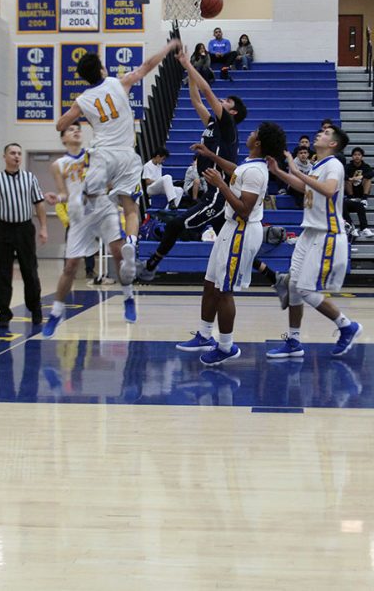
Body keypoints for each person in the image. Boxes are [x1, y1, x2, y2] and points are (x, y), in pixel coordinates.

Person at [57, 38, 181, 286]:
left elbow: (61, 124)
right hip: (126, 155)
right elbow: (147, 65)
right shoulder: (118, 83)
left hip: (101, 155)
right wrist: (168, 47)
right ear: (102, 69)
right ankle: (131, 245)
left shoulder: (82, 100)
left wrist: (82, 118)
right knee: (130, 208)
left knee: (96, 202)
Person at [175, 122, 287, 364]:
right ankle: (205, 335)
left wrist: (221, 184)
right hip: (230, 227)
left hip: (242, 230)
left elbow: (245, 210)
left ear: (258, 143)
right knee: (210, 283)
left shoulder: (257, 172)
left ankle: (226, 347)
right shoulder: (250, 165)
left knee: (224, 290)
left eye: (255, 132)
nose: (250, 133)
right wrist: (211, 155)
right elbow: (236, 172)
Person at [136, 48, 252, 281]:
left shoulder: (228, 124)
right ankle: (270, 275)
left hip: (221, 193)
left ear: (233, 111)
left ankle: (150, 266)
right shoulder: (213, 123)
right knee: (223, 235)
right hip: (212, 189)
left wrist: (188, 64)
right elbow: (196, 98)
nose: (222, 100)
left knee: (176, 224)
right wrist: (187, 72)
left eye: (227, 101)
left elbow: (207, 91)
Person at [265, 126, 364, 359]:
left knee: (306, 290)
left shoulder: (334, 165)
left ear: (333, 144)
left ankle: (346, 326)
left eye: (326, 133)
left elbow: (329, 191)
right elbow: (305, 187)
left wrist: (295, 170)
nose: (320, 134)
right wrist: (278, 171)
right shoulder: (318, 166)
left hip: (327, 233)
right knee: (293, 286)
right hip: (310, 232)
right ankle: (294, 341)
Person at [42, 124, 133, 336]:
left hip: (101, 205)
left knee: (118, 252)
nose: (76, 131)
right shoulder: (59, 165)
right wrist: (57, 198)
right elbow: (64, 192)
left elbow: (110, 180)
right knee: (71, 265)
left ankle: (128, 297)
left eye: (78, 129)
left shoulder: (93, 156)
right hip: (79, 212)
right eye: (70, 130)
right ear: (63, 138)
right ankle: (56, 312)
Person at [0, 143, 48, 326]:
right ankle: (4, 312)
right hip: (4, 229)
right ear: (5, 156)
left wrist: (43, 227)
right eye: (12, 153)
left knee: (30, 271)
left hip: (25, 228)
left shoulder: (30, 178)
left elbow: (39, 203)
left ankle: (35, 309)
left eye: (19, 153)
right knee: (4, 272)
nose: (16, 156)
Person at [344, 147, 374, 237]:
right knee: (347, 180)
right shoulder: (348, 166)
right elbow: (342, 174)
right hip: (351, 188)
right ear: (352, 156)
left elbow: (372, 173)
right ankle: (351, 197)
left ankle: (364, 198)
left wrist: (361, 177)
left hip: (361, 188)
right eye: (355, 155)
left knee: (368, 179)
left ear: (362, 157)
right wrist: (351, 178)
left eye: (359, 155)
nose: (357, 157)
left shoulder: (365, 166)